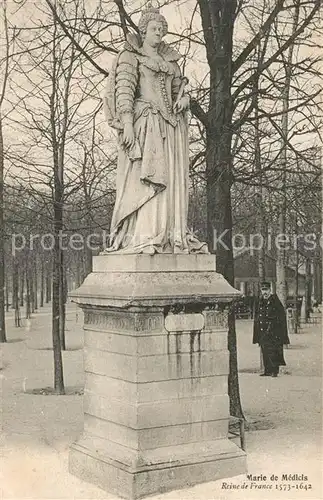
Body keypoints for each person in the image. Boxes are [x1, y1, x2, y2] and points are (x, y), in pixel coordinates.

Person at [102, 4, 208, 254]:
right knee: (147, 181)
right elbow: (124, 92)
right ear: (144, 30)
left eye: (162, 28)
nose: (158, 32)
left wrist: (183, 100)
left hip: (170, 128)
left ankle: (169, 234)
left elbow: (177, 92)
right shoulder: (131, 56)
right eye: (154, 28)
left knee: (170, 183)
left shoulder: (170, 61)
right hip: (145, 125)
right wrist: (127, 124)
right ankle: (145, 236)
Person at [253, 282, 290, 377]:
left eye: (266, 290)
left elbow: (281, 316)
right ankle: (267, 370)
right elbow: (256, 316)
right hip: (262, 331)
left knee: (274, 351)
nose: (264, 292)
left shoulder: (275, 300)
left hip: (273, 331)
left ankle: (274, 371)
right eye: (263, 290)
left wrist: (276, 327)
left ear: (270, 290)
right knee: (265, 350)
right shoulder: (259, 301)